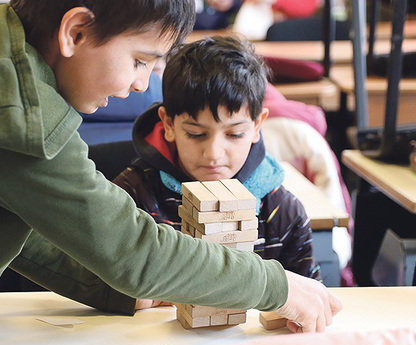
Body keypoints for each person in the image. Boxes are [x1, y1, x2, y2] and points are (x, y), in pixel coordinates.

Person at [0, 1, 341, 345]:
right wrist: (276, 286)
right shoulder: (9, 106)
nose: (141, 85)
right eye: (139, 61)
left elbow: (17, 228)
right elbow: (137, 251)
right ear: (76, 30)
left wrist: (113, 291)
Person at [113, 35, 321, 281]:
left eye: (234, 134)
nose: (213, 154)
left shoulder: (282, 212)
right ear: (168, 124)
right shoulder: (131, 198)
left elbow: (307, 297)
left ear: (257, 126)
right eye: (196, 134)